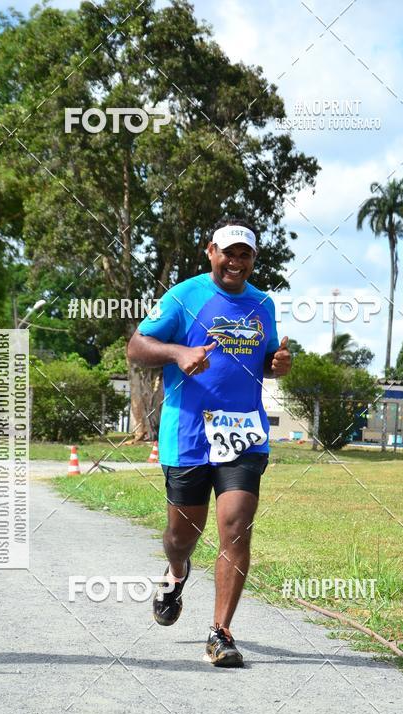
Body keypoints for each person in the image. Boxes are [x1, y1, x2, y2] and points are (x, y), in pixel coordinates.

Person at [127, 217, 292, 668]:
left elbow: (267, 358)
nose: (236, 262)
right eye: (229, 252)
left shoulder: (263, 303)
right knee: (183, 536)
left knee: (236, 525)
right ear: (211, 251)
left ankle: (220, 632)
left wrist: (278, 362)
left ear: (253, 260)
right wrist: (177, 353)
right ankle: (176, 573)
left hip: (243, 434)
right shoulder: (184, 296)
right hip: (188, 434)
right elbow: (136, 347)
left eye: (245, 255)